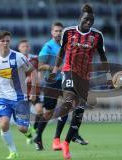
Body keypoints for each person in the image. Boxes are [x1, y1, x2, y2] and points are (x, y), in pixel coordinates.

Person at [50, 4, 112, 159]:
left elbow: (103, 56)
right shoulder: (68, 32)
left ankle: (66, 143)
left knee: (79, 111)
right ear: (80, 18)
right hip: (69, 71)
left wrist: (109, 76)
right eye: (86, 19)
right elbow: (62, 51)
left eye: (91, 20)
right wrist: (55, 69)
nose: (89, 22)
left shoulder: (97, 36)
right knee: (68, 101)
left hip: (85, 77)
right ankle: (56, 139)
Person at [35, 22, 88, 151]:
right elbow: (40, 65)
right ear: (52, 32)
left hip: (67, 81)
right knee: (48, 113)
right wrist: (54, 68)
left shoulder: (69, 44)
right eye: (56, 31)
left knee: (73, 105)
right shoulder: (48, 46)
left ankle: (72, 134)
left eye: (60, 31)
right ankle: (38, 137)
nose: (58, 33)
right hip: (52, 82)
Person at [0, 30, 34, 159]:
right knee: (3, 124)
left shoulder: (18, 57)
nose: (5, 43)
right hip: (3, 98)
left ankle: (29, 130)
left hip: (20, 98)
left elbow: (32, 71)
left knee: (22, 129)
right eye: (2, 41)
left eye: (8, 41)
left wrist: (33, 89)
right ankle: (13, 152)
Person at [18, 39, 42, 145]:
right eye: (23, 46)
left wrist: (38, 79)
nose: (25, 48)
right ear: (19, 48)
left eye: (27, 46)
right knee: (24, 117)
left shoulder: (35, 58)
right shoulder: (16, 59)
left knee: (40, 110)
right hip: (22, 91)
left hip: (34, 90)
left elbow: (39, 71)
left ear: (29, 48)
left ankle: (35, 130)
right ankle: (28, 135)